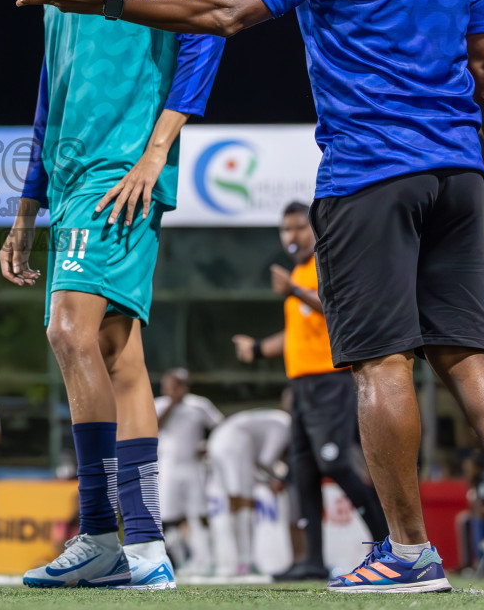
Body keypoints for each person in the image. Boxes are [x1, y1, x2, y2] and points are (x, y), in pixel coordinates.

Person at [16, 0, 484, 594]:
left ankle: (408, 552)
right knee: (462, 352)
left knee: (381, 365)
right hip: (461, 177)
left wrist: (114, 3)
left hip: (372, 174)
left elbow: (227, 13)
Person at [0, 0, 225, 591]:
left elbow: (203, 28)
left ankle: (98, 533)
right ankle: (150, 549)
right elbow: (49, 96)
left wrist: (156, 152)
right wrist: (27, 206)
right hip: (73, 183)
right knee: (119, 354)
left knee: (68, 332)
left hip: (119, 172)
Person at [232, 202, 387, 581]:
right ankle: (312, 561)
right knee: (303, 474)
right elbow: (295, 336)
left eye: (300, 227)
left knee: (334, 463)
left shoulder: (324, 266)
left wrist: (295, 291)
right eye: (286, 230)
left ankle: (390, 545)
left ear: (314, 230)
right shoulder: (300, 274)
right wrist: (255, 349)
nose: (292, 236)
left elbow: (336, 310)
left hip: (330, 382)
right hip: (301, 387)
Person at [206, 407, 291, 577]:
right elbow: (266, 460)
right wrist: (276, 479)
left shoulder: (275, 419)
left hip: (218, 442)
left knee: (235, 504)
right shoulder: (285, 424)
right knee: (243, 504)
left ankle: (232, 560)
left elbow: (259, 464)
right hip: (234, 443)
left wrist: (266, 479)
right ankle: (245, 561)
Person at [154, 368, 221, 574]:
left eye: (179, 385)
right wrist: (172, 404)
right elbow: (154, 427)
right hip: (168, 465)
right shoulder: (159, 405)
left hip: (193, 465)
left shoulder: (199, 405)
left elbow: (220, 426)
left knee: (198, 511)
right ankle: (177, 560)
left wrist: (207, 445)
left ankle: (205, 560)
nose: (175, 389)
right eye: (171, 385)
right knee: (168, 514)